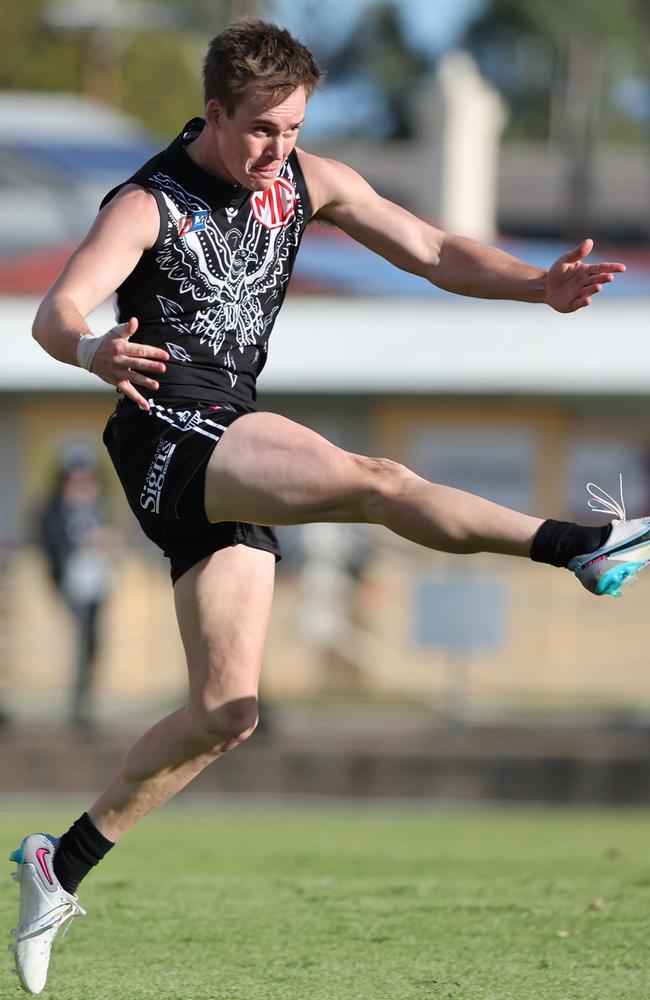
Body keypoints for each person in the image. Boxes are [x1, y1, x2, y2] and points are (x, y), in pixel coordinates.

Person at [10, 18, 649, 995]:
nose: (278, 152)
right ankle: (579, 545)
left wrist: (536, 285)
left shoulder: (308, 177)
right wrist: (92, 348)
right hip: (170, 434)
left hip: (229, 441)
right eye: (262, 130)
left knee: (227, 710)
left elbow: (429, 246)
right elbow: (56, 312)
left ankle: (63, 863)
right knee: (375, 479)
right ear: (215, 111)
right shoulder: (148, 201)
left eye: (294, 129)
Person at [38, 445, 113, 731]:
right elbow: (51, 542)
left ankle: (85, 703)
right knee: (82, 644)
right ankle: (78, 708)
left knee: (93, 644)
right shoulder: (55, 510)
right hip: (73, 583)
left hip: (97, 584)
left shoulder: (96, 508)